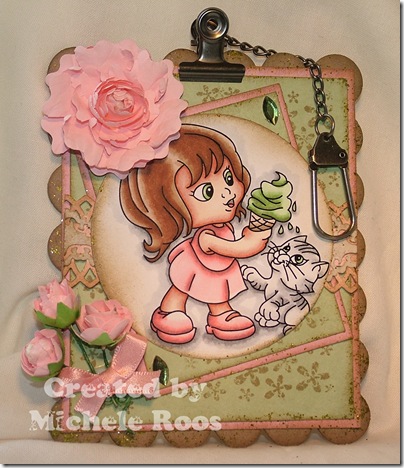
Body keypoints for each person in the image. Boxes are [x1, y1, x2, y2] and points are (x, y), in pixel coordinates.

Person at [120, 124, 273, 344]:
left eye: (229, 178)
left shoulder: (223, 226)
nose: (228, 193)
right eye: (207, 191)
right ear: (170, 209)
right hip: (196, 264)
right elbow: (240, 249)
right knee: (181, 287)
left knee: (216, 290)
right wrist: (257, 237)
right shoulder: (206, 238)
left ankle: (221, 314)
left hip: (218, 269)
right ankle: (169, 310)